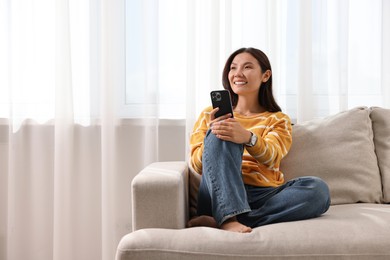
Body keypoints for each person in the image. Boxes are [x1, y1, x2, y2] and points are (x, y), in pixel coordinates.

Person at [188, 47, 330, 233]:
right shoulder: (210, 114)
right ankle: (229, 218)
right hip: (218, 189)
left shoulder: (278, 119)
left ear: (265, 75)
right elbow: (197, 166)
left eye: (247, 67)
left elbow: (272, 157)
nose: (238, 73)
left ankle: (230, 218)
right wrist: (214, 137)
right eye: (233, 68)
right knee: (222, 132)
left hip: (263, 194)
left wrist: (247, 137)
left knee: (318, 190)